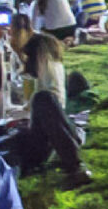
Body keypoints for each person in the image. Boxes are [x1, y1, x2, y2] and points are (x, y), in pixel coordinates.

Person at [8, 33, 94, 186]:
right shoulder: (55, 72)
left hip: (43, 143)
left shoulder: (47, 80)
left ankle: (75, 167)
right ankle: (75, 166)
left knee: (42, 98)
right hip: (57, 132)